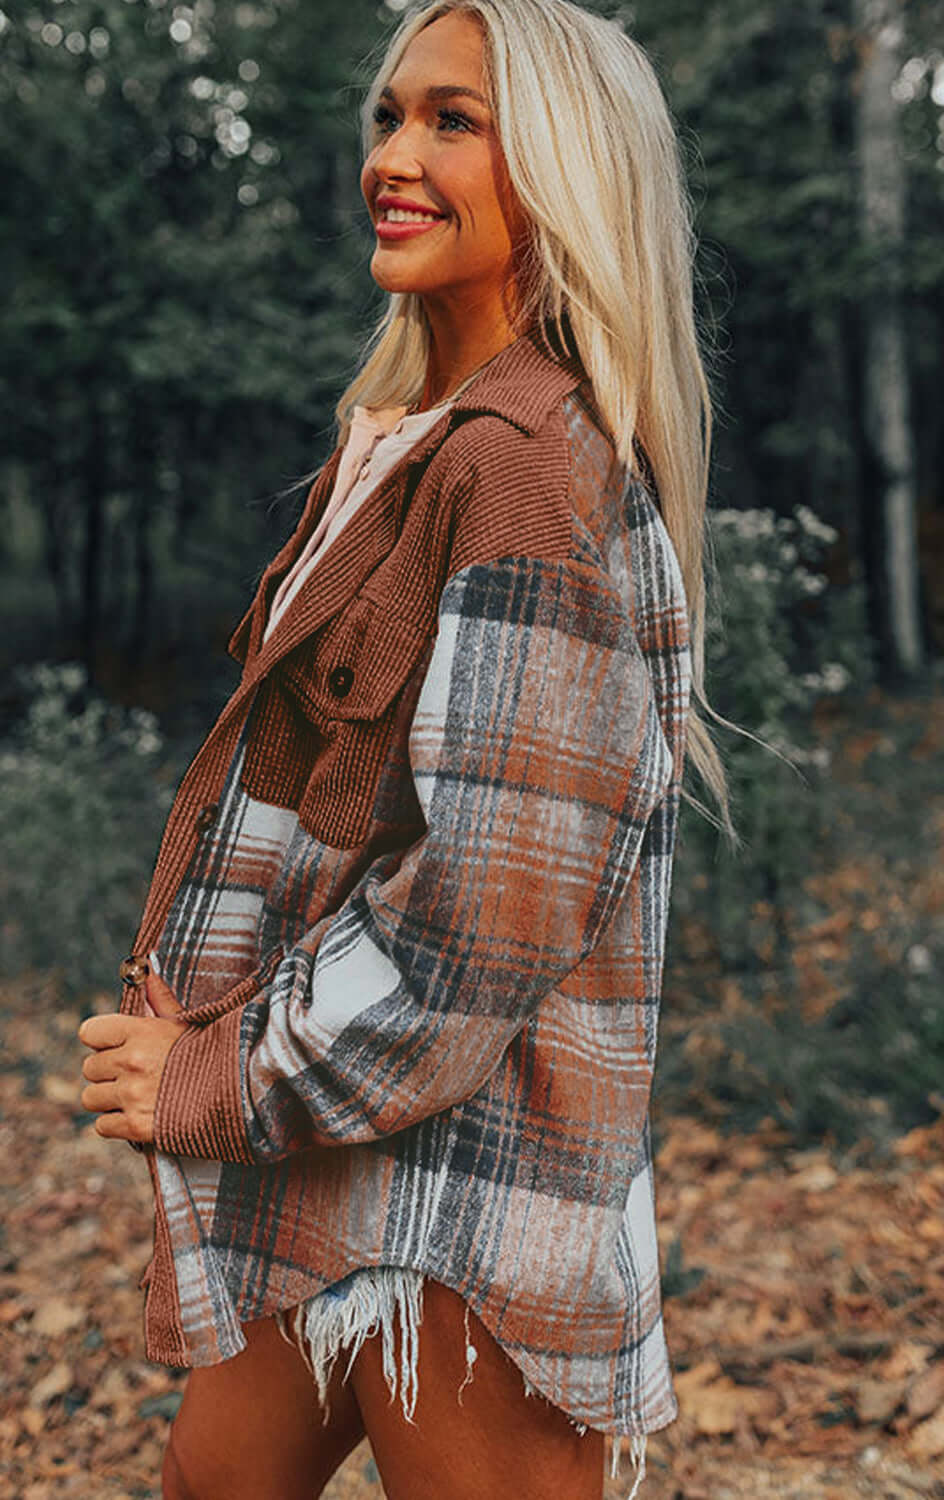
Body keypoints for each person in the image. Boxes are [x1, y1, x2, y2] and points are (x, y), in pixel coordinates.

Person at [78, 2, 729, 1496]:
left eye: (454, 121)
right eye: (389, 114)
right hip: (328, 1137)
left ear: (562, 166)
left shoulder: (517, 472)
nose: (396, 153)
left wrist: (209, 1076)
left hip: (462, 1166)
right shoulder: (401, 436)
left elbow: (475, 933)